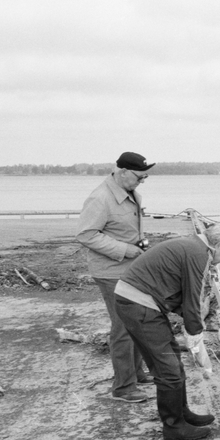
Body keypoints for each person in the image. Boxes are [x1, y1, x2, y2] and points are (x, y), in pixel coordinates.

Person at [113, 224, 220, 440]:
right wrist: (195, 333)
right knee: (168, 367)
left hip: (141, 302)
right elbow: (191, 298)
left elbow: (179, 294)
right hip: (138, 304)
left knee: (172, 356)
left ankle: (182, 413)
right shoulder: (198, 254)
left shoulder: (192, 247)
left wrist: (190, 321)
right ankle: (173, 427)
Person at [77, 151, 155, 403]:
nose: (141, 182)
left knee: (137, 322)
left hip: (130, 269)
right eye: (139, 177)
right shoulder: (100, 198)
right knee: (123, 328)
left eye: (144, 178)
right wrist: (125, 249)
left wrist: (138, 243)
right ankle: (123, 388)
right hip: (111, 272)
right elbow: (87, 235)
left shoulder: (129, 192)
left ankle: (136, 374)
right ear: (122, 172)